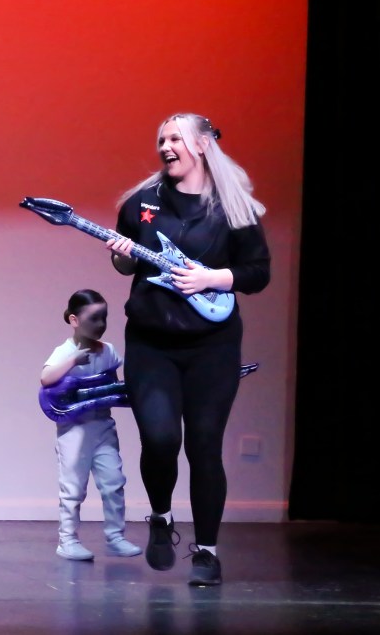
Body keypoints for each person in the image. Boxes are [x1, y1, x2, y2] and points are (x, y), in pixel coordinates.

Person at [105, 112, 270, 586]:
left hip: (212, 347)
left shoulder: (233, 207)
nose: (165, 146)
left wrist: (212, 278)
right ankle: (161, 516)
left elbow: (257, 272)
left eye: (175, 138)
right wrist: (120, 256)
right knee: (160, 439)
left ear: (202, 145)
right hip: (151, 343)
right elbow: (124, 265)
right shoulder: (141, 204)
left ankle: (207, 553)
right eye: (161, 139)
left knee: (204, 445)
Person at [40, 289, 142, 561]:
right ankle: (68, 540)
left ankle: (115, 536)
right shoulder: (65, 351)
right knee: (73, 486)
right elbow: (46, 378)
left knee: (113, 482)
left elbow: (113, 387)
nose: (100, 324)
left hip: (103, 426)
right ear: (74, 320)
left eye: (104, 318)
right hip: (75, 429)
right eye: (93, 318)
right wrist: (73, 361)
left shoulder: (109, 351)